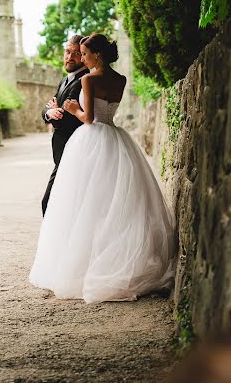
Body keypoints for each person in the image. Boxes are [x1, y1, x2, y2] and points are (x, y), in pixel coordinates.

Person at [30, 33, 174, 303]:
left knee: (85, 202)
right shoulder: (120, 79)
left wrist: (72, 108)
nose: (81, 59)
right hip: (116, 138)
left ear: (96, 54)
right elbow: (107, 113)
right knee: (115, 202)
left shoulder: (88, 79)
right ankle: (114, 257)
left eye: (84, 54)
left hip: (91, 139)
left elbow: (89, 118)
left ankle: (84, 263)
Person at [41, 35, 88, 216]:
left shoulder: (85, 80)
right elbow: (48, 107)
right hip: (62, 151)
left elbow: (71, 117)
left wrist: (56, 113)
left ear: (84, 56)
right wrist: (49, 112)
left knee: (50, 201)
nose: (70, 57)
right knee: (59, 203)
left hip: (74, 149)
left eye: (76, 54)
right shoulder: (65, 80)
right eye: (68, 52)